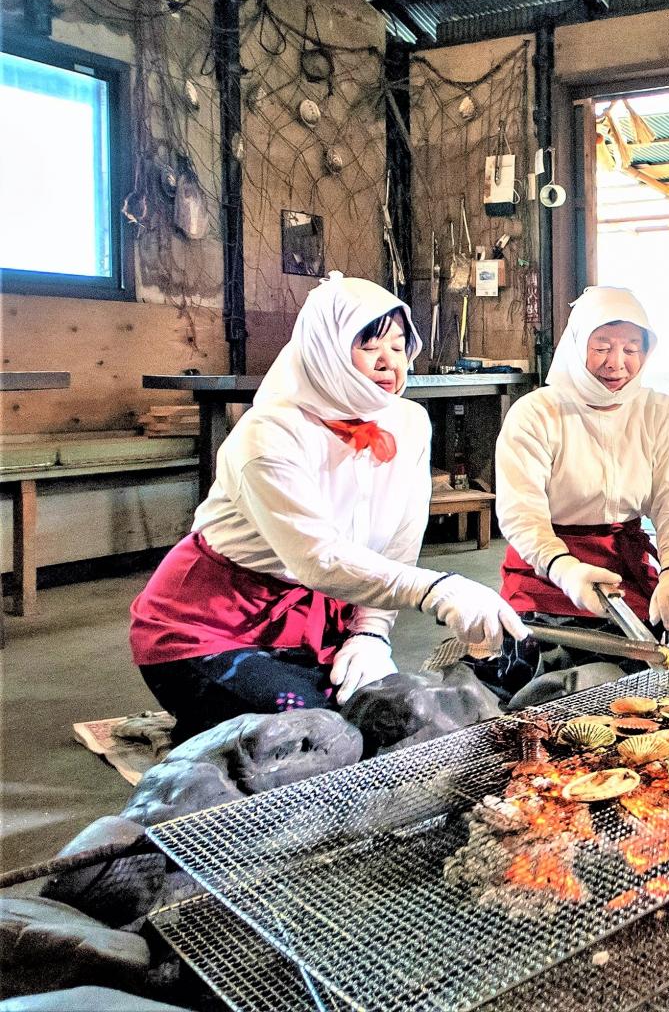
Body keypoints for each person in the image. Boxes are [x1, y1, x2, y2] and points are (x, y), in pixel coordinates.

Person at [131, 272, 528, 741]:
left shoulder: (408, 421)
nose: (389, 362)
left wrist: (371, 634)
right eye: (370, 346)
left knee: (405, 710)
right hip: (213, 621)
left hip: (322, 616)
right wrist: (437, 589)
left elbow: (401, 534)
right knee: (315, 729)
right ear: (326, 349)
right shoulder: (269, 434)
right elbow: (316, 558)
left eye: (400, 347)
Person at [483, 286, 669, 696]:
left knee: (633, 690)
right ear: (577, 343)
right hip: (544, 575)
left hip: (622, 569)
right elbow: (520, 513)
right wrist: (565, 569)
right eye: (602, 347)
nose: (617, 363)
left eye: (632, 349)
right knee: (543, 689)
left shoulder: (656, 412)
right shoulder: (537, 413)